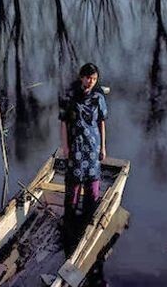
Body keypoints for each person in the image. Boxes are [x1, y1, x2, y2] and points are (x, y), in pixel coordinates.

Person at [58, 63, 108, 230]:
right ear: (81, 77)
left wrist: (103, 147)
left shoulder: (98, 98)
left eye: (94, 79)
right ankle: (70, 220)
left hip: (93, 146)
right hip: (76, 145)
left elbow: (101, 122)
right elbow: (64, 123)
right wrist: (65, 147)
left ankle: (88, 219)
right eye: (88, 78)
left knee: (92, 186)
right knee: (73, 184)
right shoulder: (69, 96)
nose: (90, 82)